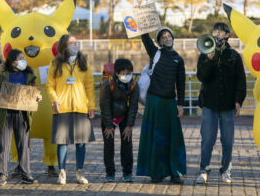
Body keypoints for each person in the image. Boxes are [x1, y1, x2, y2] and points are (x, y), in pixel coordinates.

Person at [195, 22, 247, 184]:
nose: (217, 34)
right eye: (214, 31)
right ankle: (204, 170)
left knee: (227, 140)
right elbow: (202, 77)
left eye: (220, 32)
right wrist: (210, 60)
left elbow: (241, 81)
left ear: (227, 35)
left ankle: (226, 171)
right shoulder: (205, 53)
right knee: (207, 140)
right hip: (209, 104)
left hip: (228, 105)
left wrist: (239, 100)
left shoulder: (234, 56)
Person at [137, 26, 186, 184]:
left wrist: (181, 104)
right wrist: (142, 20)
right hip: (154, 101)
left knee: (173, 139)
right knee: (155, 138)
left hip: (170, 102)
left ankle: (175, 172)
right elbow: (145, 38)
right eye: (163, 36)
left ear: (173, 38)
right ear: (159, 41)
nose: (166, 38)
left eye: (169, 35)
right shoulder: (155, 53)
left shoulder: (179, 59)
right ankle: (156, 172)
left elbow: (181, 83)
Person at [46, 34, 96, 185]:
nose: (75, 45)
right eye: (71, 43)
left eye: (76, 42)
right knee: (62, 142)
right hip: (62, 108)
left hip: (81, 107)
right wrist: (54, 100)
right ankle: (62, 173)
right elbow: (49, 85)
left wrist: (92, 106)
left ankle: (80, 173)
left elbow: (89, 85)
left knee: (81, 143)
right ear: (64, 46)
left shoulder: (83, 62)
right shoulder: (55, 63)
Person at [0, 49, 41, 186]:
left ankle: (26, 174)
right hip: (5, 114)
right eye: (20, 58)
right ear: (12, 61)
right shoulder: (1, 75)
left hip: (22, 114)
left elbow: (35, 92)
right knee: (3, 146)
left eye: (23, 58)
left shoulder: (29, 75)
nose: (23, 60)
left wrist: (38, 97)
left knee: (23, 146)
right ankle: (2, 175)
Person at [100, 58, 139, 183]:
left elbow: (133, 106)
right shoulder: (107, 84)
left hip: (124, 115)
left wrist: (129, 125)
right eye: (123, 73)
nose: (126, 76)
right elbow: (104, 106)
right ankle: (110, 173)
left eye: (129, 73)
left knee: (127, 144)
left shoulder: (133, 84)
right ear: (116, 73)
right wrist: (108, 125)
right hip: (109, 116)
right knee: (109, 144)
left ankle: (127, 172)